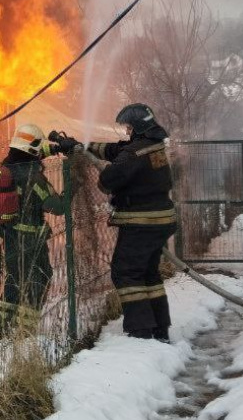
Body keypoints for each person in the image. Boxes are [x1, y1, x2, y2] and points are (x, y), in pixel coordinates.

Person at [48, 103, 176, 341]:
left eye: (129, 127)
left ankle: (140, 332)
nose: (127, 131)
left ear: (137, 127)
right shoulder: (152, 145)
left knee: (126, 273)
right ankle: (160, 330)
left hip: (141, 223)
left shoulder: (134, 154)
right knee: (148, 275)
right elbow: (115, 150)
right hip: (159, 220)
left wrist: (107, 171)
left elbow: (107, 181)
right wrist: (80, 146)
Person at [0, 123, 66, 334]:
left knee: (14, 281)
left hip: (10, 235)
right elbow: (57, 207)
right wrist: (73, 186)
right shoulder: (34, 177)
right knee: (40, 279)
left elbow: (30, 153)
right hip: (31, 239)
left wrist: (54, 148)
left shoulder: (4, 169)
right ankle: (25, 330)